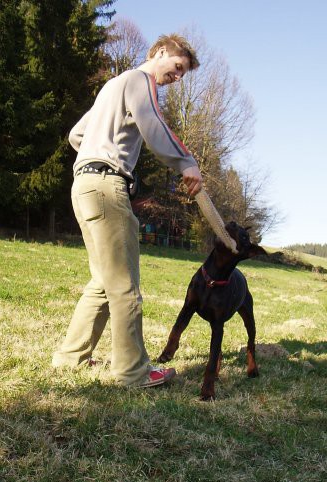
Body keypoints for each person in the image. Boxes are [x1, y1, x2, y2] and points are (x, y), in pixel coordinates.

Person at [52, 34, 203, 387]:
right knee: (125, 285)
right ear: (161, 51)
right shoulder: (140, 80)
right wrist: (186, 162)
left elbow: (77, 135)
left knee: (104, 280)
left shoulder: (112, 86)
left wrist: (95, 152)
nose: (177, 77)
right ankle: (133, 371)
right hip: (106, 187)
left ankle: (70, 357)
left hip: (83, 185)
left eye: (183, 74)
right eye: (178, 67)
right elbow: (152, 125)